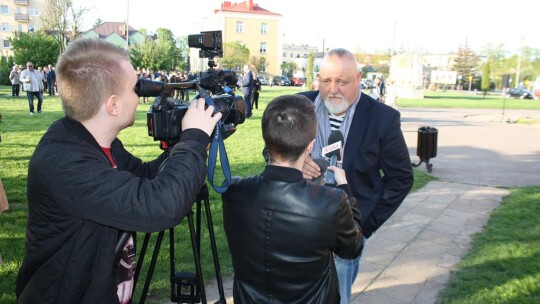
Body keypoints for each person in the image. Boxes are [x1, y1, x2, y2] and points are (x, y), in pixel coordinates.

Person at [15, 38, 222, 303]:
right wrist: (192, 140)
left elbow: (147, 177)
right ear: (113, 105)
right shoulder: (66, 164)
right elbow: (159, 207)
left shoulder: (97, 141)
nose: (140, 96)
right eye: (135, 88)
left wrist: (190, 143)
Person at [222, 94, 363, 303]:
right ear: (311, 145)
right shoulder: (332, 203)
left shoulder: (233, 191)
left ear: (266, 138)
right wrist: (345, 189)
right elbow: (353, 248)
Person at [300, 48, 414, 304]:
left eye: (342, 81)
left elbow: (401, 178)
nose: (333, 90)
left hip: (346, 231)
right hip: (298, 221)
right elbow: (271, 150)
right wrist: (297, 161)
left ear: (359, 78)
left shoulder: (382, 118)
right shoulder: (299, 106)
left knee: (338, 296)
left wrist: (364, 225)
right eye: (326, 81)